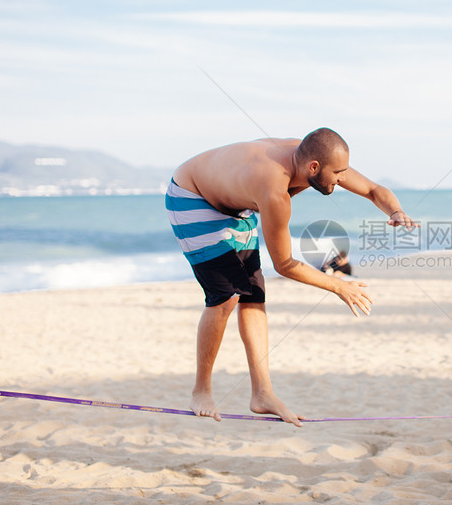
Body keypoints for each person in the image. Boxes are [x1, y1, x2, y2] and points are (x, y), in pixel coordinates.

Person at [167, 128, 416, 426]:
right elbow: (284, 264)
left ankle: (262, 394)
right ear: (313, 168)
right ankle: (201, 391)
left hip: (236, 204)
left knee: (253, 296)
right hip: (193, 196)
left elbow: (374, 190)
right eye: (337, 174)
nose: (341, 179)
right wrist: (339, 286)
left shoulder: (317, 155)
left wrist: (397, 211)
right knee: (227, 294)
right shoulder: (274, 190)